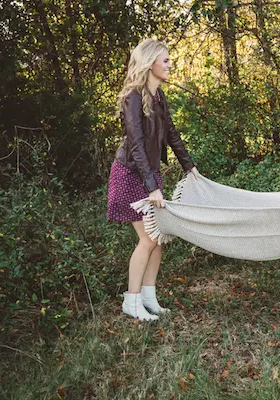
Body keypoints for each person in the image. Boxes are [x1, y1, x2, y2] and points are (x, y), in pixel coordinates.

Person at [107, 38, 198, 321]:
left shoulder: (158, 96)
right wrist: (152, 186)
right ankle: (131, 301)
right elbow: (136, 144)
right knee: (147, 239)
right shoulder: (133, 97)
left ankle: (148, 297)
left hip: (148, 176)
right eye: (166, 60)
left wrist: (189, 167)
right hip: (130, 174)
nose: (170, 65)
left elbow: (170, 134)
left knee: (157, 239)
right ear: (150, 63)